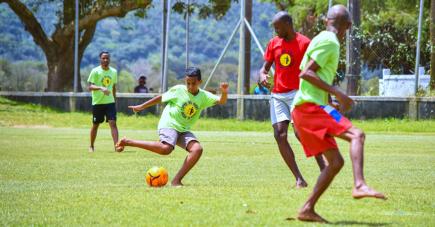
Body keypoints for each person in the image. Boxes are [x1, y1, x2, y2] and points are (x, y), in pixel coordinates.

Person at [291, 5, 386, 223]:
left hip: (310, 108)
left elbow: (309, 76)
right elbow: (306, 73)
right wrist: (339, 93)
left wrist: (331, 102)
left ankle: (307, 209)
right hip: (309, 108)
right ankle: (360, 184)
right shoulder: (330, 42)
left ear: (327, 21)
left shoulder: (320, 38)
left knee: (335, 163)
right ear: (349, 26)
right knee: (357, 134)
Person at [116, 67, 229, 187]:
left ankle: (176, 181)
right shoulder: (179, 90)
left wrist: (225, 92)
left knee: (197, 149)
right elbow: (161, 98)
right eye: (188, 83)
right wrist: (142, 106)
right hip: (169, 124)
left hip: (183, 129)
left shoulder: (204, 96)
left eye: (193, 83)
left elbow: (221, 101)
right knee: (166, 149)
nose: (190, 86)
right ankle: (128, 142)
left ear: (200, 82)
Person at [259, 11, 324, 188]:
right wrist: (263, 75)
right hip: (278, 95)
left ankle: (324, 167)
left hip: (298, 93)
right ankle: (299, 179)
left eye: (278, 27)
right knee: (279, 135)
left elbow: (314, 69)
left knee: (300, 133)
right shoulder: (274, 43)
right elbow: (264, 68)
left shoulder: (305, 43)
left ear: (288, 24)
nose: (276, 30)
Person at [87, 51, 121, 152]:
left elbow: (113, 87)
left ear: (109, 59)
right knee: (95, 125)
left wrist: (114, 100)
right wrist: (101, 88)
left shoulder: (113, 72)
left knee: (113, 123)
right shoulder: (95, 71)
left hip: (110, 102)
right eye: (103, 58)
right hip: (98, 103)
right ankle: (91, 146)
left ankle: (116, 146)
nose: (105, 60)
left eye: (107, 58)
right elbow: (90, 86)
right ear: (100, 59)